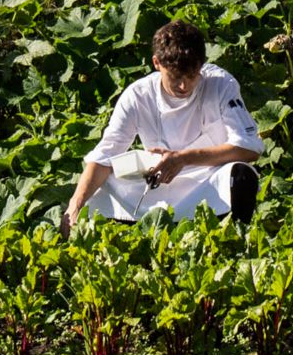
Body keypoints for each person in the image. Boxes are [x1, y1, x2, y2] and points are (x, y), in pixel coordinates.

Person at [63, 21, 265, 227]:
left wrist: (183, 158)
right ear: (157, 63)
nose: (184, 85)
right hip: (156, 182)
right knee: (102, 181)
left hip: (209, 178)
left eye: (192, 75)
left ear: (202, 65)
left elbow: (249, 148)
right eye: (176, 76)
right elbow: (104, 156)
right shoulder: (138, 95)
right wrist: (74, 206)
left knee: (241, 174)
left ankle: (235, 237)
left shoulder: (221, 84)